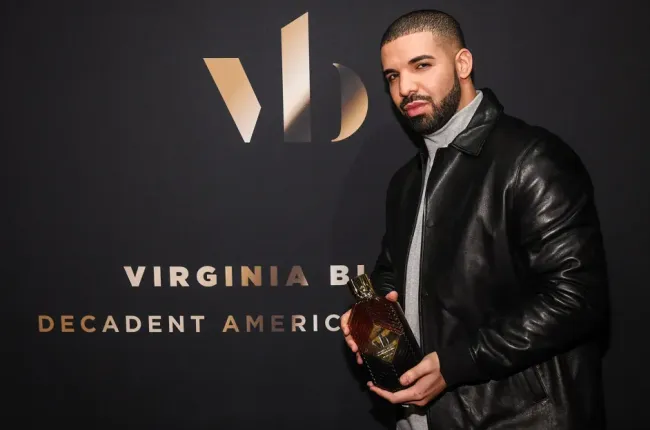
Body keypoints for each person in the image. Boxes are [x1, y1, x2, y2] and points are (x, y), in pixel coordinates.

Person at [340, 9, 610, 430]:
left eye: (421, 65)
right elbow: (395, 273)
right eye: (392, 76)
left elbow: (578, 300)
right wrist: (371, 319)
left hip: (518, 418)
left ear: (462, 64)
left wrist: (456, 364)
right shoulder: (406, 181)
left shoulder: (530, 158)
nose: (405, 87)